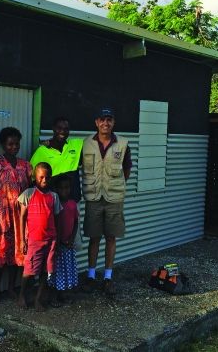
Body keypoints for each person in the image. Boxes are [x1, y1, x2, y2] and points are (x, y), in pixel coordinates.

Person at [81, 107, 132, 297]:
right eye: (102, 119)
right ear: (96, 122)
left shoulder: (123, 143)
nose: (105, 123)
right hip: (93, 197)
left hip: (114, 198)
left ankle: (108, 276)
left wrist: (116, 185)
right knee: (94, 237)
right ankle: (91, 274)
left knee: (111, 237)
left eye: (109, 120)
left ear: (113, 123)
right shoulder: (85, 143)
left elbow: (127, 168)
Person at [0, 127, 32, 303]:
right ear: (3, 145)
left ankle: (11, 288)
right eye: (10, 144)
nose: (14, 147)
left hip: (20, 217)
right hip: (1, 215)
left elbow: (30, 191)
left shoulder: (25, 165)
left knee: (17, 253)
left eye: (17, 144)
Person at [17, 162, 61, 311]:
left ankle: (38, 299)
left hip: (51, 240)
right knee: (29, 270)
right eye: (41, 177)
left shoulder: (54, 197)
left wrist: (58, 240)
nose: (44, 180)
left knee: (46, 270)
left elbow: (56, 219)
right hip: (34, 240)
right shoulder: (29, 194)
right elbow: (22, 217)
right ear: (35, 177)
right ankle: (22, 295)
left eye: (47, 177)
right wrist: (22, 240)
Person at [30, 117, 82, 202]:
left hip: (72, 200)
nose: (62, 131)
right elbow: (32, 178)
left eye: (66, 129)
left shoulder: (77, 145)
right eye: (59, 128)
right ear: (53, 129)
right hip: (52, 201)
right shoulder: (42, 151)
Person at [48, 174, 79, 305]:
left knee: (66, 270)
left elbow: (76, 221)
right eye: (61, 188)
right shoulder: (54, 204)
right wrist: (58, 240)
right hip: (57, 244)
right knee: (56, 271)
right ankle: (53, 296)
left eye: (67, 188)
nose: (64, 191)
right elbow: (53, 224)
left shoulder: (72, 204)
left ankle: (62, 294)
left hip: (68, 244)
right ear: (56, 189)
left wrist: (71, 238)